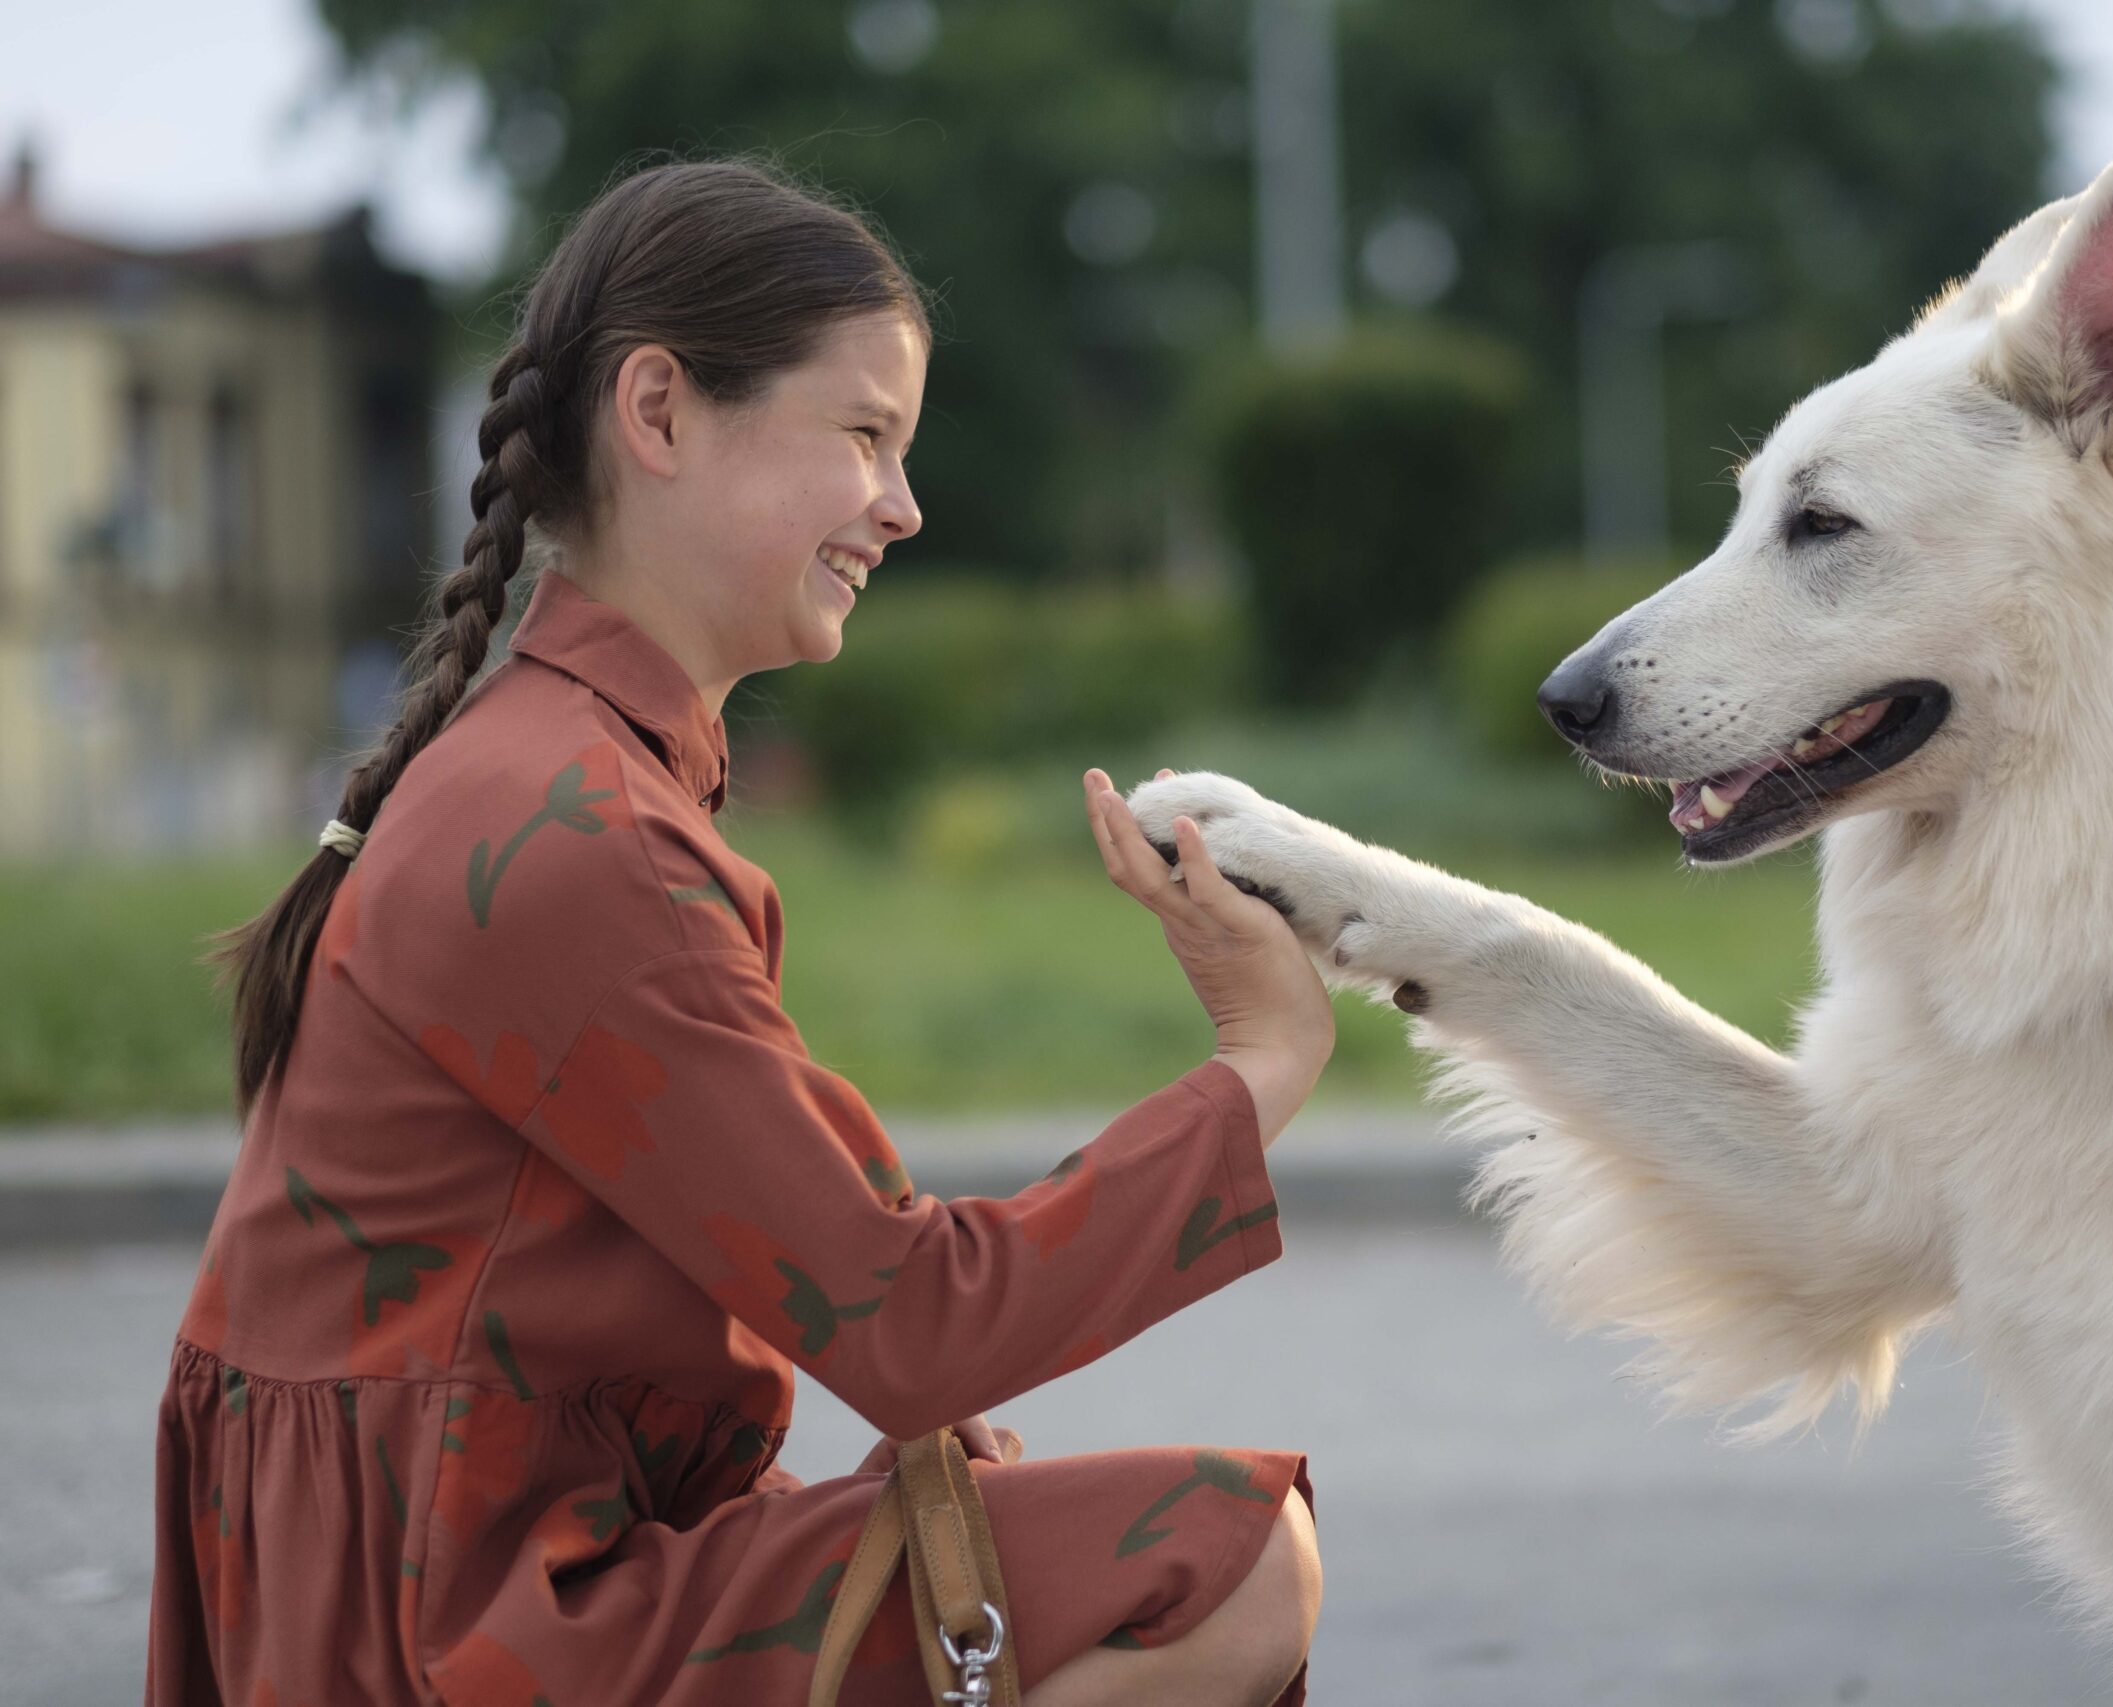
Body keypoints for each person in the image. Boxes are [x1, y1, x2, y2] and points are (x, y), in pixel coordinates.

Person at [150, 158, 1331, 1707]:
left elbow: (828, 1248)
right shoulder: (571, 834)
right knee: (1231, 1563)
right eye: (863, 437)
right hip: (465, 1621)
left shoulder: (558, 779)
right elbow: (912, 1325)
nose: (903, 508)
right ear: (658, 412)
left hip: (460, 1565)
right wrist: (1266, 1056)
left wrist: (911, 1395)